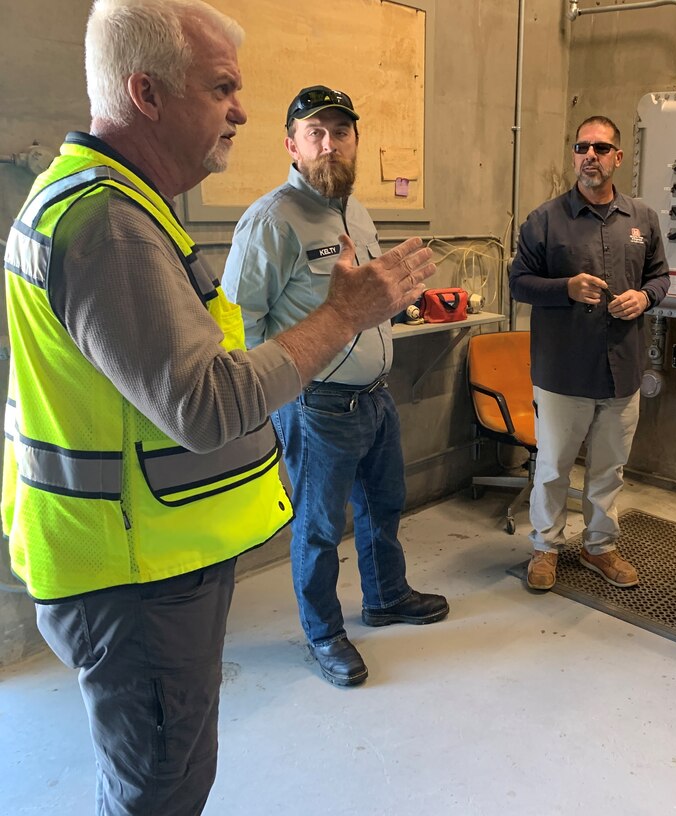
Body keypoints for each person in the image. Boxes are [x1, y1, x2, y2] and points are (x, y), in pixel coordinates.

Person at [1, 1, 435, 812]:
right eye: (222, 87)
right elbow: (205, 402)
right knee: (160, 790)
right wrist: (344, 314)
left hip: (145, 557)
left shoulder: (116, 206)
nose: (239, 108)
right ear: (147, 93)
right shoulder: (110, 226)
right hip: (133, 576)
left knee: (163, 778)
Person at [222, 86, 449, 688]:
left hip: (375, 395)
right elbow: (238, 327)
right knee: (319, 528)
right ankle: (324, 631)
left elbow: (366, 298)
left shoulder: (357, 212)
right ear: (292, 145)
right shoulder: (270, 221)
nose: (329, 143)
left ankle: (385, 596)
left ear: (355, 141)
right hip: (317, 407)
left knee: (384, 506)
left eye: (340, 132)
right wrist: (266, 408)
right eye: (314, 132)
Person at [509, 115, 670, 592]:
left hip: (622, 369)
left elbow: (661, 277)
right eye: (582, 148)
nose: (590, 156)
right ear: (574, 155)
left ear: (618, 157)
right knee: (555, 467)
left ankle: (600, 547)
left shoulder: (642, 219)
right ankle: (545, 547)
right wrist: (565, 287)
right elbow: (518, 282)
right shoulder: (544, 220)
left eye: (601, 149)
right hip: (563, 373)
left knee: (608, 467)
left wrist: (646, 297)